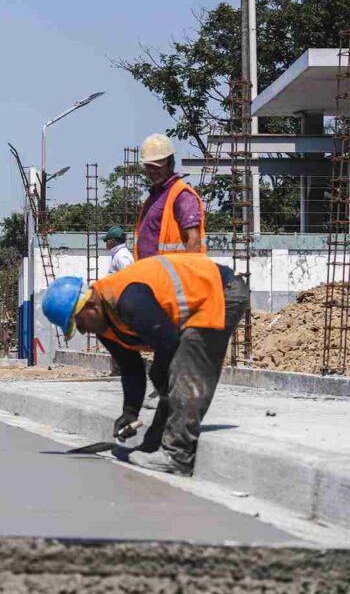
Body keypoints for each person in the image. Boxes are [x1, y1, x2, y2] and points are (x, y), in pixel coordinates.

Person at [42, 253, 249, 476]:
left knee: (187, 365)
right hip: (199, 302)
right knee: (167, 374)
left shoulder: (129, 300)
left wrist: (159, 375)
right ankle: (154, 445)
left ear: (91, 304)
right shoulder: (104, 323)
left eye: (79, 322)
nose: (82, 330)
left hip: (221, 290)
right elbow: (130, 367)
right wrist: (129, 412)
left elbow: (168, 343)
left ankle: (177, 457)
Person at [134, 134, 207, 260]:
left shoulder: (181, 195)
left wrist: (189, 275)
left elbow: (194, 239)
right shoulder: (154, 198)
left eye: (157, 167)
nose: (152, 171)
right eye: (149, 166)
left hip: (172, 276)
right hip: (149, 274)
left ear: (170, 164)